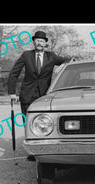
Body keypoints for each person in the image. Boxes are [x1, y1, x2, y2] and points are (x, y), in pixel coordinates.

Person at [8, 31, 69, 161]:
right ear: (33, 42)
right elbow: (14, 73)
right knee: (29, 123)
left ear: (46, 43)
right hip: (27, 94)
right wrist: (12, 92)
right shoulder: (26, 55)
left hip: (44, 96)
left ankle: (45, 149)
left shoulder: (51, 56)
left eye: (41, 41)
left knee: (45, 123)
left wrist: (76, 59)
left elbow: (66, 60)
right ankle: (32, 151)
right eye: (36, 40)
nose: (39, 43)